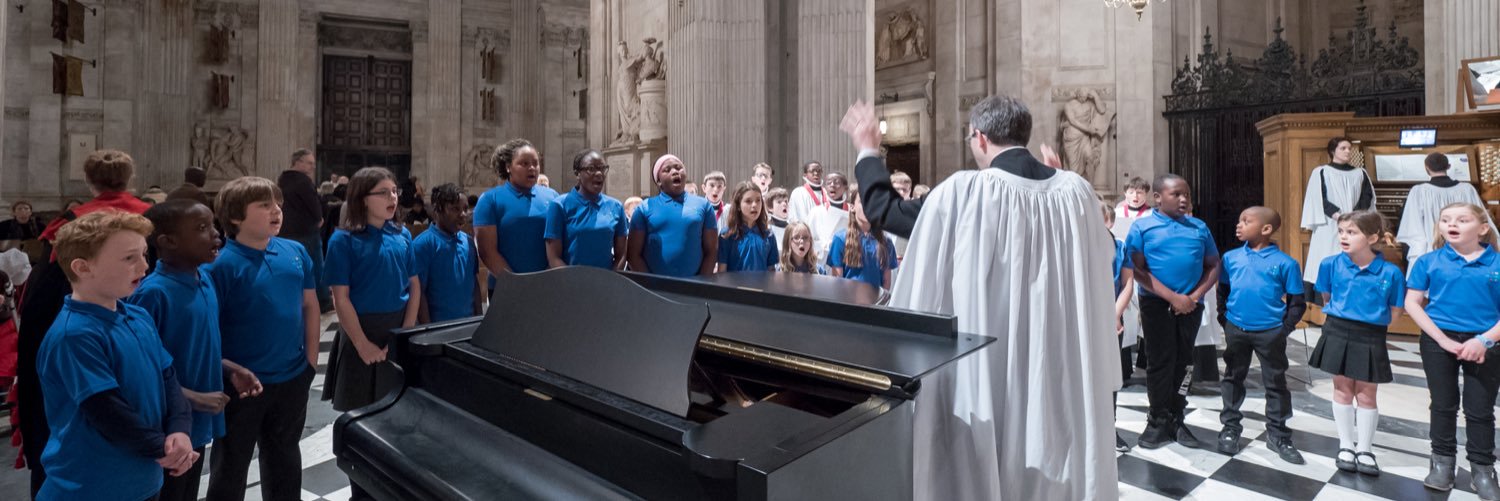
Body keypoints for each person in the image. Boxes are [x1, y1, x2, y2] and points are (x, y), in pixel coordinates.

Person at [847, 96, 1118, 500]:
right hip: (1054, 357)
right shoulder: (1076, 192)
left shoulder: (966, 191)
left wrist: (868, 148)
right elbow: (1102, 255)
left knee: (992, 445)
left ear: (980, 137)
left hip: (987, 355)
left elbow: (885, 210)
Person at [17, 149, 153, 497]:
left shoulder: (68, 223)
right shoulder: (152, 219)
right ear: (129, 179)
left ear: (89, 181)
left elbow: (39, 299)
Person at [35, 211, 197, 501]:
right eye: (129, 259)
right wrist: (164, 449)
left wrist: (180, 430)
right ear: (83, 268)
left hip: (141, 479)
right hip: (90, 487)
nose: (145, 266)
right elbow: (106, 411)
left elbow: (168, 377)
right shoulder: (75, 334)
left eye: (144, 254)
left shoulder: (138, 315)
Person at [128, 200, 260, 501]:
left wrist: (229, 369)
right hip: (166, 428)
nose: (216, 235)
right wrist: (192, 398)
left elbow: (199, 346)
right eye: (202, 229)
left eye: (213, 225)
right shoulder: (153, 294)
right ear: (167, 241)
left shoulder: (205, 280)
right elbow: (140, 373)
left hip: (196, 422)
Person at [205, 176, 320, 501]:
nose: (277, 211)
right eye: (265, 205)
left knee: (284, 457)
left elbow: (310, 305)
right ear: (236, 217)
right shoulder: (221, 267)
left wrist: (310, 362)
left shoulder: (295, 251)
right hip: (243, 384)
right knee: (231, 465)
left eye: (278, 204)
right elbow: (210, 331)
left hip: (292, 376)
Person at [1406, 203, 1500, 497]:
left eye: (1462, 219)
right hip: (1439, 339)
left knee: (1480, 407)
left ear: (1482, 228)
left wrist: (1483, 340)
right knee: (1443, 403)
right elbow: (1412, 303)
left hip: (1486, 341)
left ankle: (1483, 468)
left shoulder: (1496, 263)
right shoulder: (1429, 261)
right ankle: (1442, 461)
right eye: (1445, 220)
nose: (1451, 224)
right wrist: (1443, 340)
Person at [1125, 174, 1222, 450]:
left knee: (1184, 360)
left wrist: (1192, 297)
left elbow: (1214, 264)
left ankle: (1176, 416)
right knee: (1159, 360)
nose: (1184, 199)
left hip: (1191, 304)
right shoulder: (1143, 228)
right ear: (1157, 197)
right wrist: (1172, 297)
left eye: (1187, 195)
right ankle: (1157, 419)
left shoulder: (1199, 227)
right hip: (1157, 304)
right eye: (1176, 194)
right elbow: (1138, 271)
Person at [1308, 210, 1405, 477]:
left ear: (1372, 237)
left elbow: (1395, 311)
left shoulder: (1390, 272)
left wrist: (1372, 322)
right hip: (1337, 329)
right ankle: (1345, 445)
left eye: (1351, 232)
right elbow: (1326, 296)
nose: (1344, 237)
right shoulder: (1329, 264)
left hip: (1371, 333)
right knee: (1341, 390)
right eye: (1341, 232)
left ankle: (1365, 448)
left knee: (1366, 393)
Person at [324, 166, 419, 420]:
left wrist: (405, 331)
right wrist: (362, 343)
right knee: (359, 413)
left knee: (397, 410)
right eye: (384, 193)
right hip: (360, 329)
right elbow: (340, 298)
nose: (393, 198)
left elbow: (414, 286)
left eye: (394, 191)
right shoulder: (343, 241)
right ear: (363, 199)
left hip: (398, 326)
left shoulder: (403, 234)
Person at [1215, 206, 1307, 465]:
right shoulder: (1231, 258)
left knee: (1275, 382)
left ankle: (1278, 434)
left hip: (1269, 332)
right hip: (1237, 329)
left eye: (1246, 221)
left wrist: (1283, 329)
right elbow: (1223, 290)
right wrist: (1225, 319)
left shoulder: (1285, 263)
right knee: (1233, 378)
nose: (1239, 224)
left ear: (1266, 229)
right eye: (1240, 219)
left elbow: (1297, 302)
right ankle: (1231, 427)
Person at [475, 139, 560, 290]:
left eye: (535, 163)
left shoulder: (552, 197)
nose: (532, 168)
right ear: (508, 167)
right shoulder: (490, 200)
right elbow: (487, 251)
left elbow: (559, 241)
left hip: (547, 285)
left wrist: (548, 276)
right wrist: (514, 283)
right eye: (524, 164)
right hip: (505, 287)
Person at [1301, 137, 1375, 290]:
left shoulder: (1360, 173)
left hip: (1355, 222)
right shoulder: (1321, 172)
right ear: (1333, 151)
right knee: (1327, 256)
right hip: (1329, 225)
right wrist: (1338, 215)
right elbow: (1319, 198)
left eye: (1349, 148)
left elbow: (1366, 196)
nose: (1348, 151)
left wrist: (1354, 216)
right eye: (1343, 148)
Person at [627, 154, 718, 277]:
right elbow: (633, 255)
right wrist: (651, 285)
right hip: (655, 289)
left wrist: (702, 284)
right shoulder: (644, 208)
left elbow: (711, 251)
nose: (675, 172)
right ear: (658, 181)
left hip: (694, 286)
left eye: (678, 167)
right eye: (667, 170)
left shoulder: (703, 205)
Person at [1398, 153, 1495, 262]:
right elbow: (1481, 217)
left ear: (1427, 167)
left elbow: (1412, 227)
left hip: (1431, 253)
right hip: (1466, 252)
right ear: (1448, 166)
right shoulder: (1467, 189)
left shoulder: (1418, 191)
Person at [545, 149, 628, 270]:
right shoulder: (560, 205)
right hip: (571, 283)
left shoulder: (615, 206)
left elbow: (621, 255)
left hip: (606, 283)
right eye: (591, 169)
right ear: (577, 173)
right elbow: (553, 257)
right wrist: (575, 283)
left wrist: (611, 281)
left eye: (602, 168)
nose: (599, 173)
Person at [412, 183, 482, 324]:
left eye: (465, 209)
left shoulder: (468, 242)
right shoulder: (424, 244)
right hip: (439, 328)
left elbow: (474, 283)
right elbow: (419, 294)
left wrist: (479, 319)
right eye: (455, 209)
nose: (462, 214)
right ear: (438, 210)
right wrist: (428, 331)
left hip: (467, 325)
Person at [278, 149, 332, 312]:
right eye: (309, 163)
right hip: (306, 230)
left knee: (293, 264)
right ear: (298, 161)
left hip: (286, 229)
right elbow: (313, 203)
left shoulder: (282, 180)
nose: (313, 167)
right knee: (315, 264)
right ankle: (322, 300)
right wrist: (319, 218)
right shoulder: (303, 181)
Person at [1105, 203, 1136, 453]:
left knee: (1110, 378)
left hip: (1112, 318)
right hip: (1086, 319)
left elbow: (1127, 283)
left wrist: (1116, 314)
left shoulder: (1120, 247)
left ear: (1110, 221)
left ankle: (1109, 427)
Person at [828, 193, 896, 290]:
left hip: (875, 303)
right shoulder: (840, 239)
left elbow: (886, 281)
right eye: (863, 201)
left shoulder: (886, 242)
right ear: (852, 207)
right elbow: (837, 280)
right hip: (849, 302)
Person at [717, 182, 778, 273]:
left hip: (762, 286)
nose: (754, 205)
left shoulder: (769, 235)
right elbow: (722, 271)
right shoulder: (726, 235)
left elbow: (771, 270)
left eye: (758, 200)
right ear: (738, 206)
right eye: (748, 201)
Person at [807, 172, 851, 262]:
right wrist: (824, 245)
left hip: (845, 260)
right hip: (821, 260)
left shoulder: (852, 211)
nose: (832, 185)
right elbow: (808, 237)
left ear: (845, 188)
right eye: (829, 183)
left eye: (837, 182)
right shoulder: (816, 211)